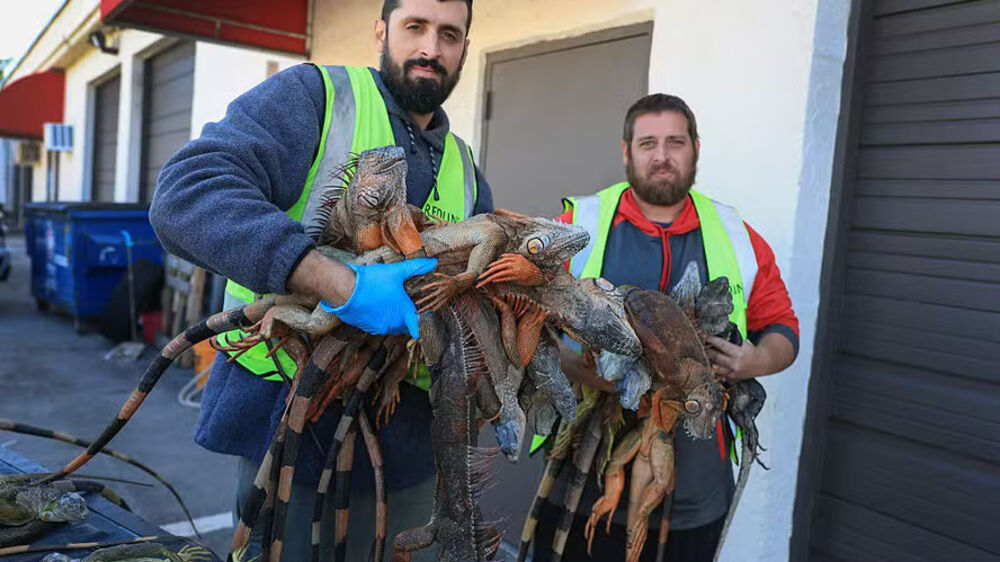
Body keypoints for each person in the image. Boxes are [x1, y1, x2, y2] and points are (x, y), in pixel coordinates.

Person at [148, 1, 490, 560]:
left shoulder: (466, 167)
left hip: (407, 450)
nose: (431, 48)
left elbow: (479, 304)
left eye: (448, 34)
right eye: (415, 27)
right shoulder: (318, 97)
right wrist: (344, 287)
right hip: (290, 432)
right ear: (381, 31)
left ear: (464, 50)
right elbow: (187, 195)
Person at [532, 94, 798, 562]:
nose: (661, 155)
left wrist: (753, 359)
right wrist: (575, 365)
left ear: (695, 148)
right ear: (626, 151)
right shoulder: (580, 223)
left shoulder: (737, 235)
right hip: (582, 475)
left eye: (675, 142)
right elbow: (524, 310)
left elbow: (783, 329)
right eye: (648, 142)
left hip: (696, 486)